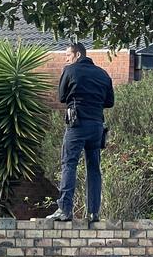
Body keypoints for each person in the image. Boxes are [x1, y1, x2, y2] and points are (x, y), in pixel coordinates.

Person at [46, 42, 114, 223]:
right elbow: (109, 102)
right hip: (97, 126)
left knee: (69, 163)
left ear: (77, 55)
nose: (66, 59)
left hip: (77, 124)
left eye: (68, 55)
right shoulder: (103, 74)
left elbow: (61, 97)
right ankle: (93, 213)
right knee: (94, 168)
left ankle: (64, 210)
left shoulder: (70, 71)